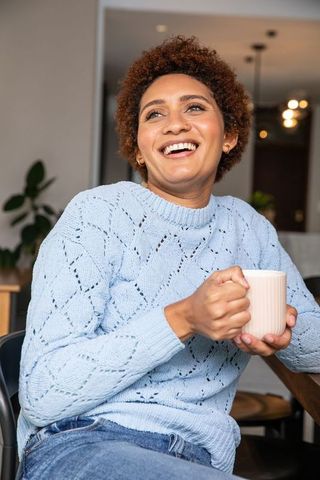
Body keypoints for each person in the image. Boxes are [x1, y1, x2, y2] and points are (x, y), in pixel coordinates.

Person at [17, 36, 320, 480]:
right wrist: (182, 318)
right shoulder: (98, 213)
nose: (174, 124)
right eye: (154, 114)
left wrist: (284, 330)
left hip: (200, 457)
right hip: (82, 441)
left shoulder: (248, 228)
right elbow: (43, 392)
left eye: (194, 108)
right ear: (139, 147)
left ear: (231, 134)